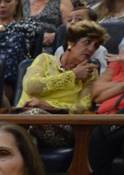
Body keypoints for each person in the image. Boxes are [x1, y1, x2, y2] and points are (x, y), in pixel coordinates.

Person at [16, 20, 109, 149]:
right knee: (26, 135)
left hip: (61, 126)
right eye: (87, 42)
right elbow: (32, 87)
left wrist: (49, 106)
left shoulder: (90, 73)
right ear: (71, 42)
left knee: (30, 118)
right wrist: (71, 76)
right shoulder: (44, 60)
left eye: (96, 45)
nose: (91, 49)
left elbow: (84, 107)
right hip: (25, 121)